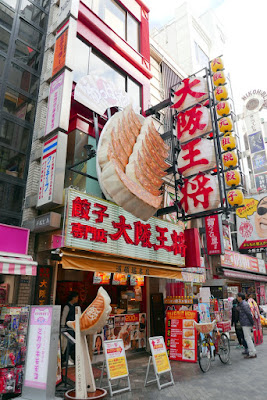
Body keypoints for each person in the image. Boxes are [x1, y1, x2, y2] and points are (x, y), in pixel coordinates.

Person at [237, 293, 257, 359]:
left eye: (237, 296)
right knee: (248, 338)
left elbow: (249, 313)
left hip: (246, 323)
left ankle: (252, 353)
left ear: (240, 297)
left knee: (248, 338)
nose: (237, 298)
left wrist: (252, 322)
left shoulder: (244, 304)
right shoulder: (242, 304)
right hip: (245, 322)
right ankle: (252, 352)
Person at [61, 291, 79, 363]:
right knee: (68, 343)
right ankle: (65, 358)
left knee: (73, 343)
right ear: (73, 298)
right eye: (77, 297)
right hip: (68, 328)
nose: (78, 299)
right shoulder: (67, 306)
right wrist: (62, 327)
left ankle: (70, 357)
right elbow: (64, 317)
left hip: (73, 328)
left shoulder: (75, 306)